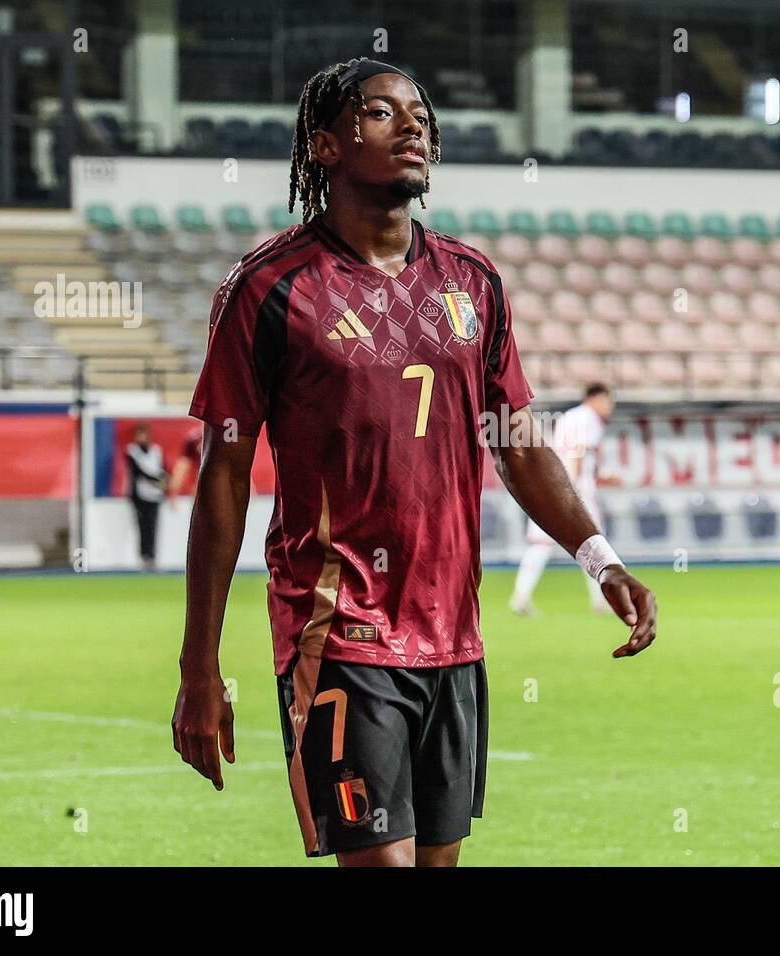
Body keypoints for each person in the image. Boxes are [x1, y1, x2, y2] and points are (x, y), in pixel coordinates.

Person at [171, 58, 657, 868]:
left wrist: (599, 558)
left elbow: (517, 441)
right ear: (323, 145)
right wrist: (198, 668)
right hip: (339, 628)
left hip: (453, 637)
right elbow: (223, 475)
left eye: (421, 116)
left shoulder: (474, 282)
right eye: (380, 113)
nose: (412, 128)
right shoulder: (268, 289)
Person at [510, 383, 620, 616]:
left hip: (550, 485)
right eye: (609, 401)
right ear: (596, 399)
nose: (610, 407)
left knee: (540, 544)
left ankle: (520, 596)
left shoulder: (567, 418)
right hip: (573, 489)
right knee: (595, 543)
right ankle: (602, 600)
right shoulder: (588, 418)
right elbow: (579, 452)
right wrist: (575, 489)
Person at [124, 423, 167, 570]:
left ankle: (152, 556)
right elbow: (139, 472)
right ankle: (144, 556)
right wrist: (157, 479)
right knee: (142, 526)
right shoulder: (132, 451)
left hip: (155, 495)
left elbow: (163, 468)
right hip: (140, 496)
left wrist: (164, 479)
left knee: (152, 526)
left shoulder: (156, 451)